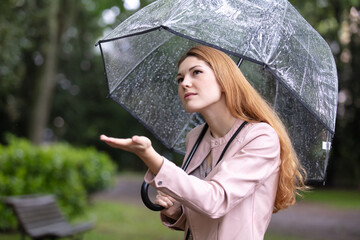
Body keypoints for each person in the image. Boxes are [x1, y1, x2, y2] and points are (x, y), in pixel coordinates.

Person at [100, 45, 307, 240]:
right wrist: (176, 211)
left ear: (224, 79)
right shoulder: (196, 137)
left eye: (196, 72)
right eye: (179, 78)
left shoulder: (260, 138)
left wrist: (150, 157)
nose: (184, 83)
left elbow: (215, 201)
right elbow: (201, 211)